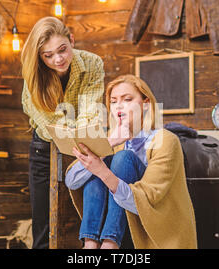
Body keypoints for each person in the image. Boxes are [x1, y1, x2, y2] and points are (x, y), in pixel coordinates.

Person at [65, 75, 197, 249]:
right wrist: (108, 144)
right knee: (98, 162)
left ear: (146, 104)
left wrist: (103, 172)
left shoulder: (166, 140)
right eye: (113, 101)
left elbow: (146, 201)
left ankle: (109, 244)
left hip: (158, 229)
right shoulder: (113, 139)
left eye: (127, 99)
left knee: (121, 158)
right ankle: (90, 243)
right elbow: (72, 181)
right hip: (126, 228)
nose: (119, 105)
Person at [21, 16, 105, 249]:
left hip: (84, 145)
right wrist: (78, 134)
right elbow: (48, 121)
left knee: (80, 217)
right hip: (45, 146)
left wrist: (82, 136)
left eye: (62, 50)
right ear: (39, 56)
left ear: (72, 40)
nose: (58, 59)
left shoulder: (93, 63)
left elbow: (90, 108)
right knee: (44, 224)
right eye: (48, 55)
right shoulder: (33, 73)